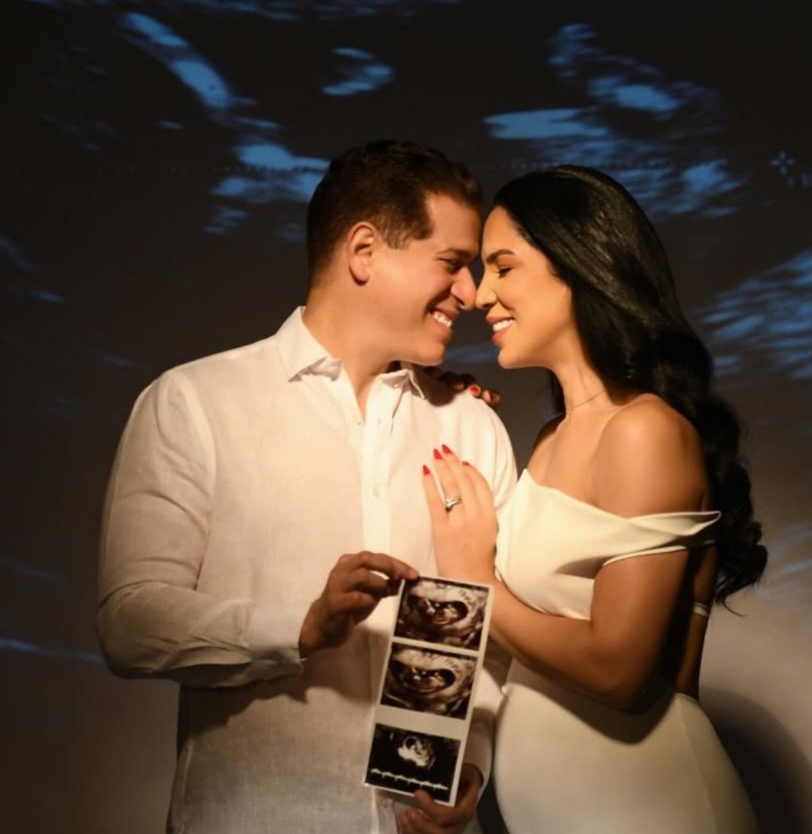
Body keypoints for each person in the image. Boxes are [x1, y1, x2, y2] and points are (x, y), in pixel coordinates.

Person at [96, 140, 517, 834]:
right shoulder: (195, 403)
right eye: (452, 263)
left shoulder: (471, 427)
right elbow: (130, 623)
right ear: (364, 252)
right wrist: (300, 625)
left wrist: (467, 762)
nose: (471, 293)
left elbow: (485, 642)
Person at [424, 165, 767, 833]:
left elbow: (619, 670)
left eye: (503, 267)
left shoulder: (643, 430)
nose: (481, 294)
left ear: (579, 265)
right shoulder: (551, 440)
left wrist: (477, 585)